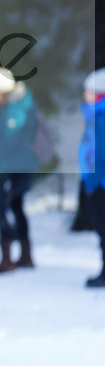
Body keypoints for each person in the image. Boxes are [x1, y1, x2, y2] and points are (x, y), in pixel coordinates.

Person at [0, 67, 40, 274]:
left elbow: (10, 144)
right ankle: (25, 255)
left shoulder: (16, 109)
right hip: (17, 165)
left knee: (1, 207)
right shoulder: (17, 104)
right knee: (15, 207)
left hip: (16, 167)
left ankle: (8, 258)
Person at [79, 68, 105, 288]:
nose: (84, 95)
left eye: (88, 91)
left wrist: (93, 183)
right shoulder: (95, 115)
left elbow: (100, 155)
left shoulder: (100, 117)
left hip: (100, 184)